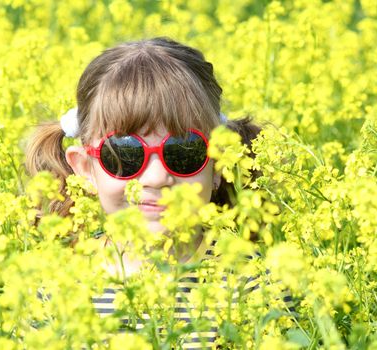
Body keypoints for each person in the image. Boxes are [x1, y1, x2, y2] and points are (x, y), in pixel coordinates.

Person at [25, 37, 266, 348]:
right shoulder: (58, 284)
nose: (155, 178)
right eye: (125, 155)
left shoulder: (249, 281)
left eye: (184, 151)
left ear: (218, 164)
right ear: (84, 169)